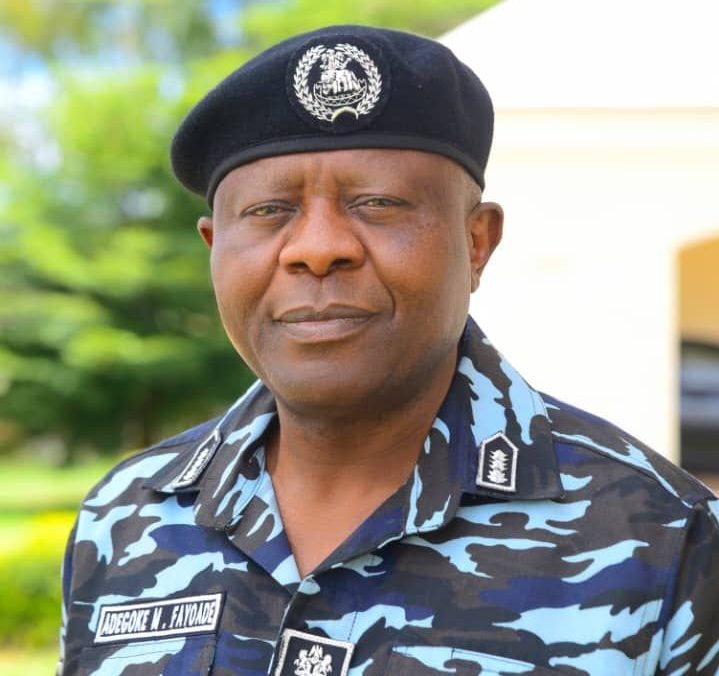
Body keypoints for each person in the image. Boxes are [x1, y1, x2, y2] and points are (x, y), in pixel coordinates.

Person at [58, 25, 718, 676]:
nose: (317, 248)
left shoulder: (664, 540)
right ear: (213, 247)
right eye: (268, 211)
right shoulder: (123, 519)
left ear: (477, 242)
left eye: (377, 203)